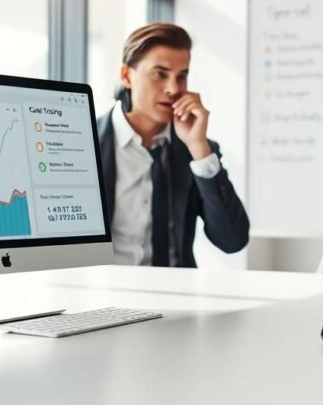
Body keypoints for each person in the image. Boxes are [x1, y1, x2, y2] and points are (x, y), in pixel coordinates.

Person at [96, 22, 249, 267]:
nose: (173, 89)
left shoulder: (194, 149)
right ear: (126, 76)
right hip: (103, 293)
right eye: (160, 74)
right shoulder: (86, 144)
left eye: (182, 76)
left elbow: (232, 240)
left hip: (176, 298)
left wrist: (199, 149)